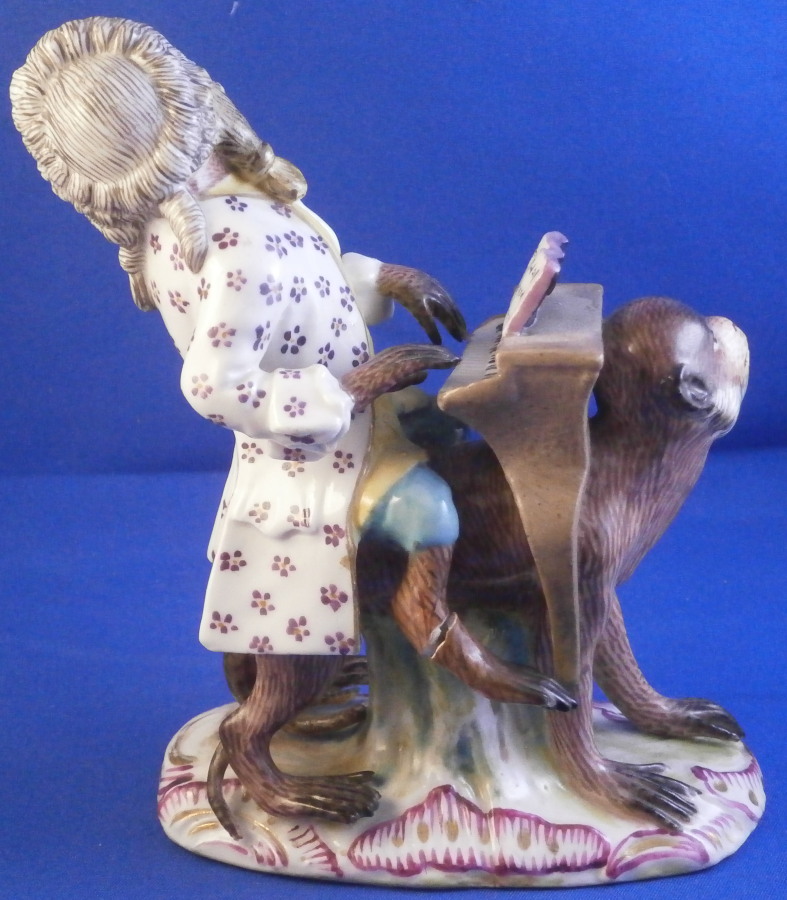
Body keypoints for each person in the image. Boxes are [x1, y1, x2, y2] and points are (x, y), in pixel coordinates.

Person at [12, 17, 571, 833]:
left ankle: (427, 638)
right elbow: (216, 384)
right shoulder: (224, 242)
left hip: (364, 424)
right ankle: (428, 646)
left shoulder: (236, 212)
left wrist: (388, 278)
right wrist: (359, 383)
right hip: (315, 462)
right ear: (194, 107)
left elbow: (309, 282)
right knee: (426, 511)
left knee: (452, 437)